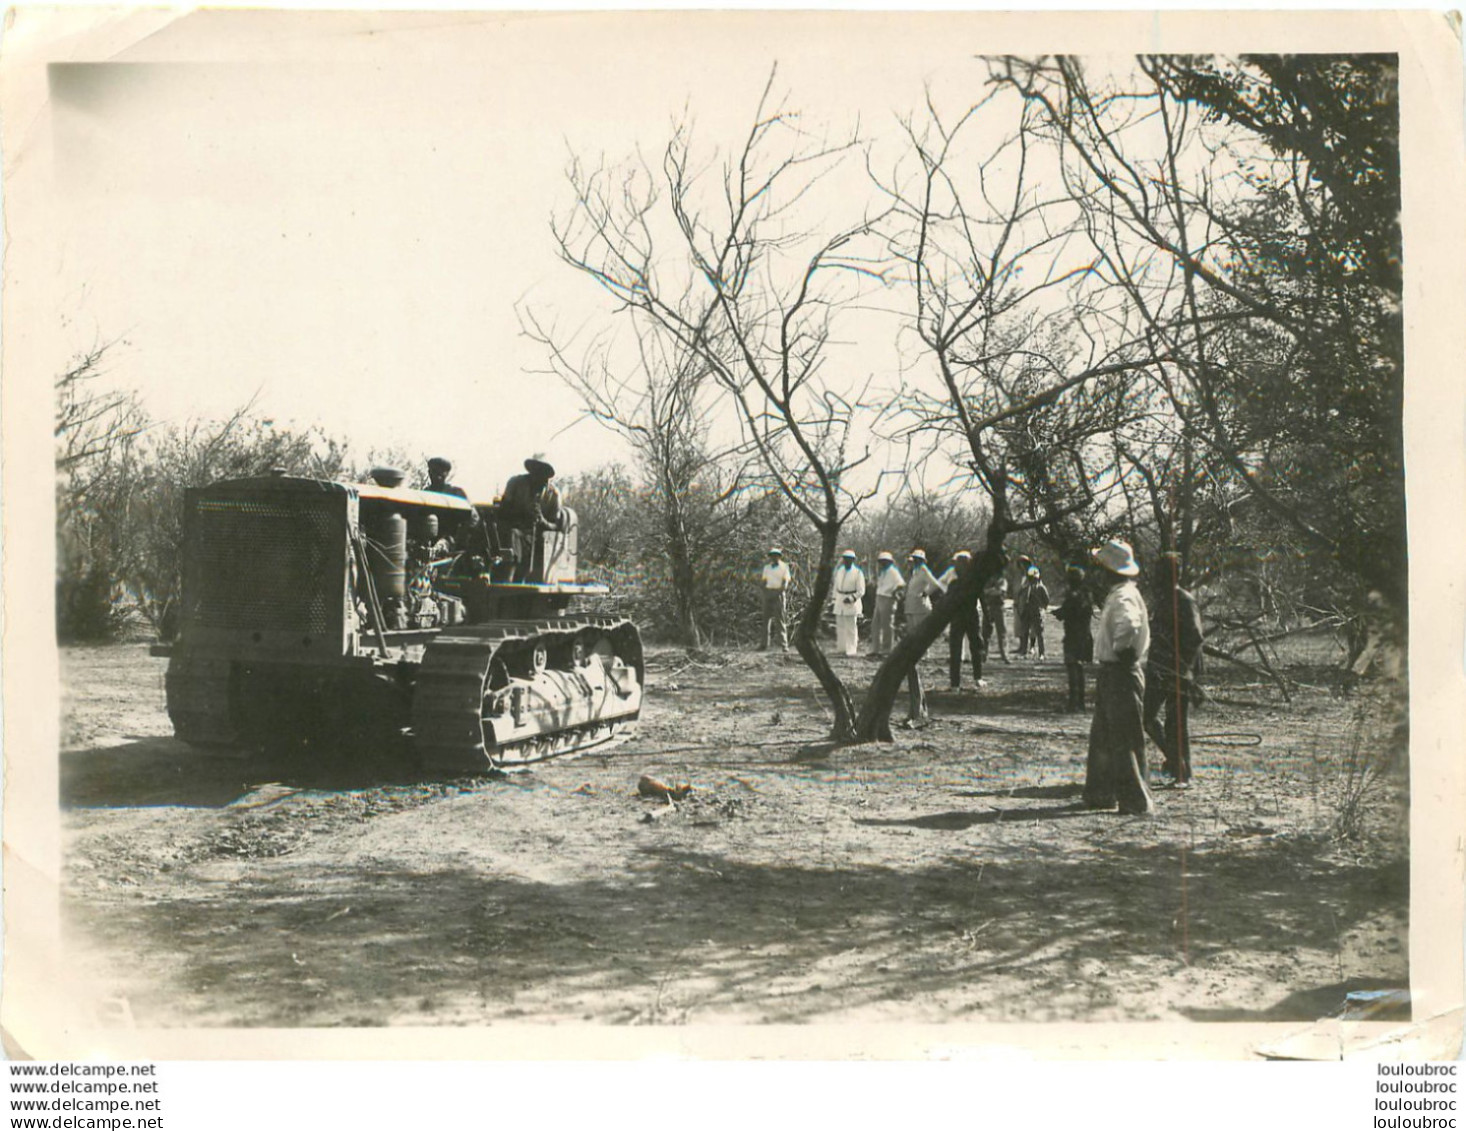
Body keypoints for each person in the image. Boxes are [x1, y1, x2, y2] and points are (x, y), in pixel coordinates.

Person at [1083, 539, 1153, 816]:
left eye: (1101, 567)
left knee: (1123, 737)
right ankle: (1101, 793)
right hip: (1113, 672)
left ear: (1110, 570)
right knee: (1103, 735)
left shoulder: (1124, 596)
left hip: (1120, 671)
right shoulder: (1120, 593)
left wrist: (1122, 651)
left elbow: (1130, 626)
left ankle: (1136, 800)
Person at [1144, 553, 1205, 785]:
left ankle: (1182, 770)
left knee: (1176, 721)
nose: (1158, 577)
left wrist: (1183, 670)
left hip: (1178, 672)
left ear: (1173, 575)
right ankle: (1175, 762)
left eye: (1162, 572)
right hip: (1159, 669)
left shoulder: (1185, 600)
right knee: (1147, 716)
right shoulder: (1164, 600)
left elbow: (1195, 638)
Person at [498, 457, 566, 582]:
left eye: (546, 476)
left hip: (538, 536)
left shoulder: (553, 494)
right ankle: (508, 575)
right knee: (512, 535)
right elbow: (502, 510)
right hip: (512, 530)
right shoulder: (516, 483)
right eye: (538, 474)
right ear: (531, 473)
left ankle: (522, 577)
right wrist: (522, 513)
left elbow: (557, 526)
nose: (542, 481)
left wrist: (541, 520)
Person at [1051, 565, 1094, 711]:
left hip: (1073, 636)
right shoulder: (1087, 594)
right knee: (1080, 668)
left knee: (1072, 668)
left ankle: (1072, 703)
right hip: (1085, 635)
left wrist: (1057, 613)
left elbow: (1066, 612)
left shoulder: (1073, 595)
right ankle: (1080, 703)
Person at [943, 551, 985, 691]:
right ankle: (969, 680)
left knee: (963, 649)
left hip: (962, 617)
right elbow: (983, 601)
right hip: (969, 617)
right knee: (967, 649)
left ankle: (960, 683)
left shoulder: (956, 583)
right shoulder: (973, 581)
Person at [830, 550, 867, 657]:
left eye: (849, 559)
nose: (847, 561)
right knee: (840, 625)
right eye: (845, 558)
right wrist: (833, 600)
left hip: (851, 602)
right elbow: (835, 587)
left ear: (853, 560)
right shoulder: (840, 571)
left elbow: (861, 590)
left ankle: (851, 650)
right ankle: (841, 648)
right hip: (840, 599)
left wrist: (851, 598)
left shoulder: (858, 572)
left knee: (851, 627)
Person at [870, 551, 905, 657]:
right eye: (881, 561)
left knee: (887, 625)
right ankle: (875, 649)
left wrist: (894, 593)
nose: (882, 563)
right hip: (880, 597)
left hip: (888, 598)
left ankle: (886, 650)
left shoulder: (893, 571)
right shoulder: (883, 572)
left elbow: (901, 584)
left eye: (884, 561)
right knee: (875, 624)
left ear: (889, 561)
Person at [759, 548, 793, 652]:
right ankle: (764, 645)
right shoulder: (767, 568)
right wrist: (765, 592)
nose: (774, 557)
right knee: (765, 620)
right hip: (768, 594)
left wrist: (776, 593)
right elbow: (763, 582)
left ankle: (784, 645)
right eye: (772, 555)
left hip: (779, 594)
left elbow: (785, 584)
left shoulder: (784, 567)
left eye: (776, 555)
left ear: (779, 556)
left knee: (780, 620)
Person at [903, 549, 943, 634]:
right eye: (914, 558)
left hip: (920, 607)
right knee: (912, 633)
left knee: (921, 633)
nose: (915, 561)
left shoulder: (924, 570)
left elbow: (935, 584)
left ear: (921, 560)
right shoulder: (915, 571)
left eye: (917, 559)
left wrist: (925, 593)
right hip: (911, 605)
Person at [1019, 565, 1050, 658]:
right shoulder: (1025, 587)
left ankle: (1042, 653)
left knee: (1039, 634)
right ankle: (1024, 652)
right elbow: (1021, 597)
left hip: (1037, 612)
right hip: (1027, 611)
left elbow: (1046, 600)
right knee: (1025, 632)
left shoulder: (1041, 587)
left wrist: (1042, 608)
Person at [980, 570, 1010, 663]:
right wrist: (992, 590)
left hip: (998, 607)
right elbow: (983, 591)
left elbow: (1000, 592)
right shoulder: (987, 580)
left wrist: (990, 591)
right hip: (988, 607)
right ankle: (984, 655)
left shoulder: (1002, 580)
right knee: (985, 632)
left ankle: (1004, 655)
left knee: (1001, 632)